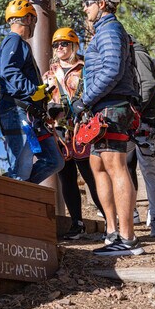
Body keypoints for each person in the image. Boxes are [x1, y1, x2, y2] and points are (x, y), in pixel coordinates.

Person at [71, 0, 143, 256]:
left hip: (112, 105)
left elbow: (113, 69)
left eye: (88, 3)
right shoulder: (103, 31)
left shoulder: (111, 29)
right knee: (98, 164)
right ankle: (113, 232)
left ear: (102, 4)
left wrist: (85, 101)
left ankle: (127, 238)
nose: (84, 8)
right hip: (103, 106)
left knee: (115, 166)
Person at [43, 28, 104, 239]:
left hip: (83, 128)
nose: (60, 48)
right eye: (56, 45)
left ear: (74, 45)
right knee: (66, 178)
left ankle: (109, 218)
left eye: (64, 44)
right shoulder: (50, 73)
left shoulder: (85, 68)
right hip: (60, 131)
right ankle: (77, 224)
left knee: (91, 176)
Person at [0, 0, 64, 184]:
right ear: (26, 18)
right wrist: (33, 90)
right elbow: (8, 71)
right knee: (21, 167)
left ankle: (22, 193)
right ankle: (13, 201)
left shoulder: (20, 44)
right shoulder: (14, 40)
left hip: (30, 113)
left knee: (54, 161)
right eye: (33, 20)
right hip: (15, 110)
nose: (34, 25)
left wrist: (41, 96)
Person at [125, 36, 155, 237]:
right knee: (124, 166)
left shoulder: (137, 55)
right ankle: (131, 214)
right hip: (135, 120)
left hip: (145, 120)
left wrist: (135, 108)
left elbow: (148, 84)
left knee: (149, 168)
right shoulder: (130, 55)